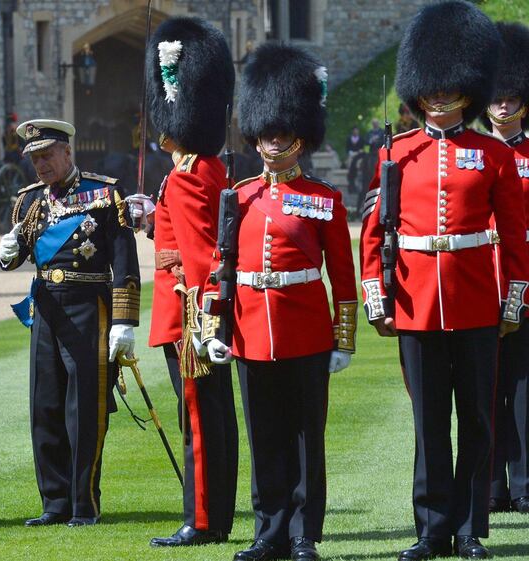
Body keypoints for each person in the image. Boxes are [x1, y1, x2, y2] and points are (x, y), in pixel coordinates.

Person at [360, 3, 529, 560]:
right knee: (429, 423)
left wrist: (513, 302)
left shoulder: (493, 155)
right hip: (415, 304)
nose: (438, 97)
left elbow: (515, 236)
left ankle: (469, 529)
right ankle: (431, 529)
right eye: (430, 89)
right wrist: (376, 300)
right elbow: (373, 234)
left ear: (466, 90)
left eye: (448, 88)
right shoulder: (395, 154)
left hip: (478, 302)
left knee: (476, 420)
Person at [201, 43, 357, 561]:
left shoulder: (323, 198)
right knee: (264, 438)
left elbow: (342, 275)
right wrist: (211, 330)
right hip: (250, 334)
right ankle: (268, 532)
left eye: (283, 135)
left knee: (306, 441)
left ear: (299, 138)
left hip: (307, 334)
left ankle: (302, 534)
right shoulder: (240, 196)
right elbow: (217, 268)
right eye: (267, 135)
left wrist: (343, 339)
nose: (274, 143)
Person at [0, 119, 140, 527]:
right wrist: (6, 253)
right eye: (34, 158)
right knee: (45, 406)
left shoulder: (104, 193)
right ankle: (54, 503)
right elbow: (18, 255)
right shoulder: (28, 201)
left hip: (88, 308)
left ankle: (83, 504)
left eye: (47, 156)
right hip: (46, 310)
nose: (41, 165)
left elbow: (125, 262)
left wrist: (123, 321)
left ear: (67, 153)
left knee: (85, 411)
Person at [137, 17, 239, 548]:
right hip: (201, 314)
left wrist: (204, 326)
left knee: (198, 419)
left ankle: (201, 520)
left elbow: (199, 258)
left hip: (190, 320)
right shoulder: (209, 170)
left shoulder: (185, 175)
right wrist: (152, 221)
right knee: (217, 418)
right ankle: (217, 516)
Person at [482, 21, 529, 516]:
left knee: (522, 386)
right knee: (485, 388)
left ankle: (524, 482)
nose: (500, 106)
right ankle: (491, 482)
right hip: (481, 278)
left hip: (526, 276)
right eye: (495, 98)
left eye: (509, 97)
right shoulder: (477, 154)